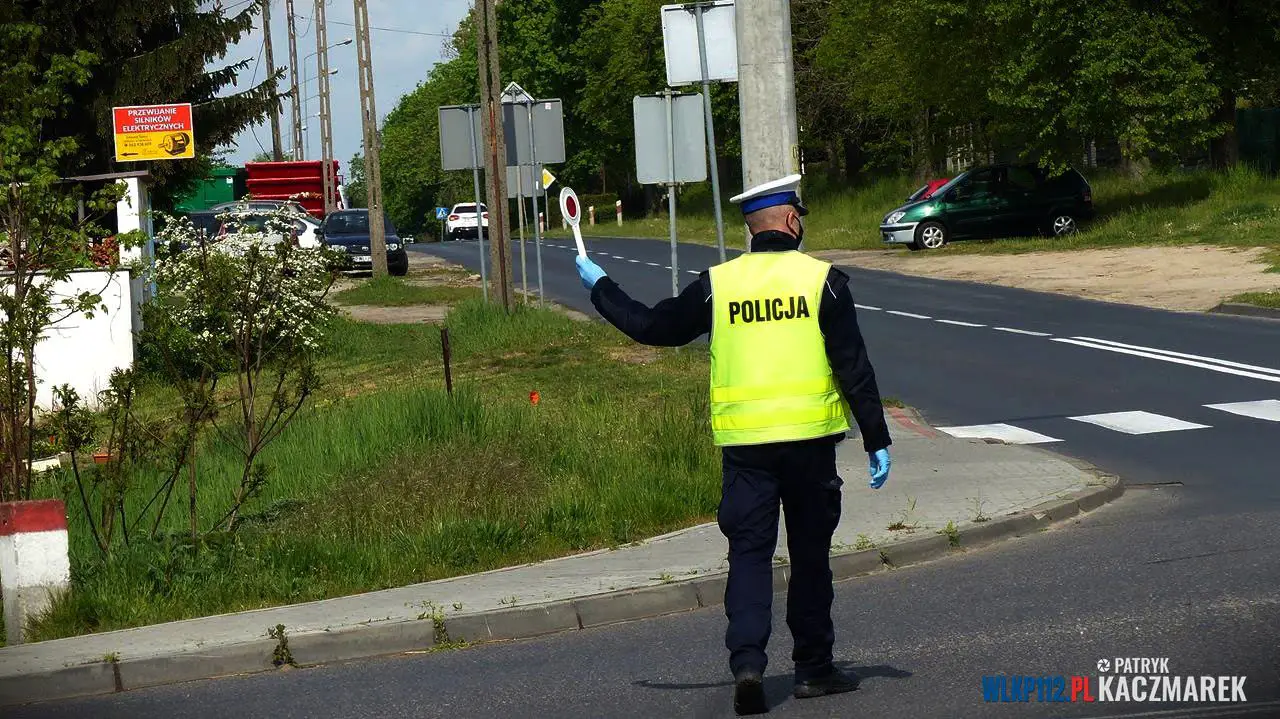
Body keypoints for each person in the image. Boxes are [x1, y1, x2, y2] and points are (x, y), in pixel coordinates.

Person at [575, 174, 893, 715]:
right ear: (791, 220)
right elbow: (854, 368)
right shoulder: (825, 282)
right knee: (810, 557)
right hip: (811, 446)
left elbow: (651, 327)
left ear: (751, 229)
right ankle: (814, 670)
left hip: (746, 450)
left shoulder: (717, 285)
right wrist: (876, 439)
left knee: (749, 556)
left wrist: (601, 287)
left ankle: (748, 664)